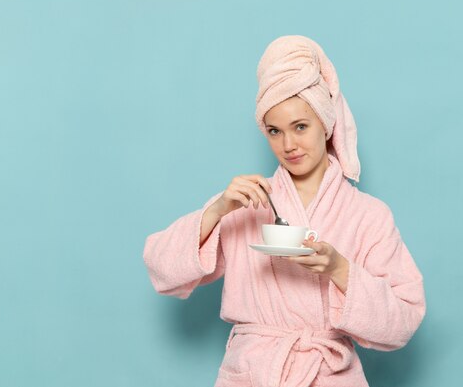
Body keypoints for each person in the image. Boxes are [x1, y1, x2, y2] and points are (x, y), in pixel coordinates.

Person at [143, 35, 426, 387]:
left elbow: (403, 320)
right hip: (253, 374)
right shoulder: (249, 201)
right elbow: (160, 268)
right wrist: (216, 211)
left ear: (326, 125)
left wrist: (339, 269)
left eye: (300, 127)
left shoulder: (369, 215)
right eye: (274, 131)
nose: (288, 145)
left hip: (329, 374)